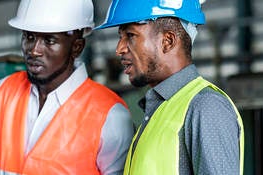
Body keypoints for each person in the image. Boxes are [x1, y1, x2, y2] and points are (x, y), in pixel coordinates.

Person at [0, 0, 133, 174]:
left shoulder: (110, 115)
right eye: (29, 37)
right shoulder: (4, 91)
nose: (34, 50)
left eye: (49, 40)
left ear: (77, 47)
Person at [95, 0, 244, 174]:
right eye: (120, 37)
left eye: (130, 35)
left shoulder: (206, 107)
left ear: (168, 41)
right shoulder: (157, 112)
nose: (119, 49)